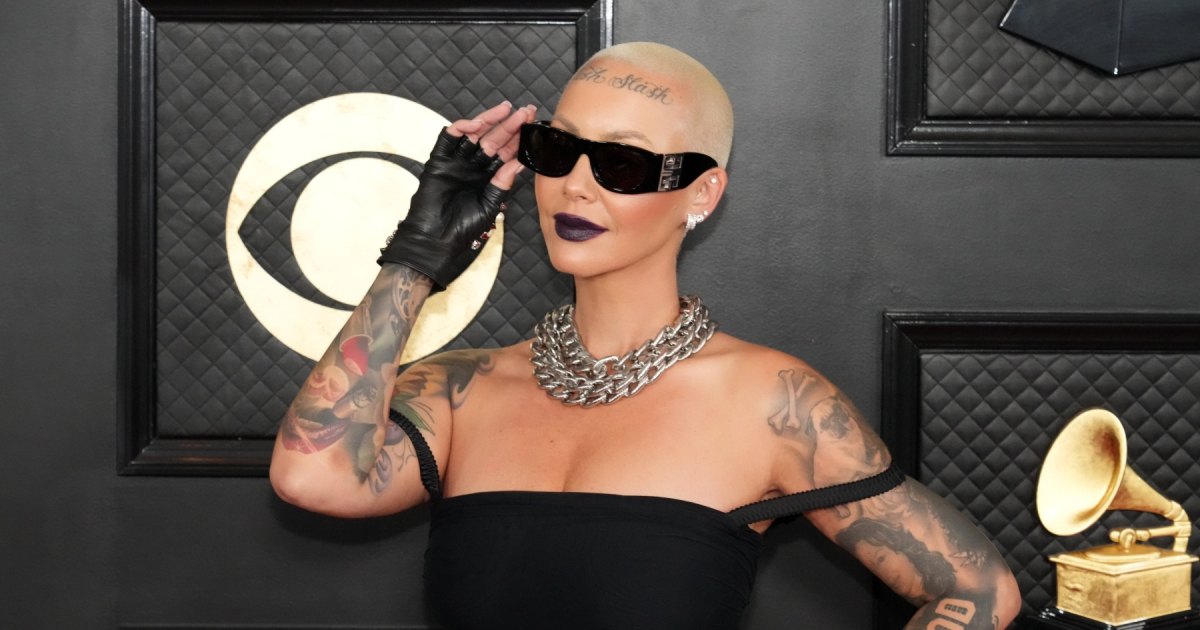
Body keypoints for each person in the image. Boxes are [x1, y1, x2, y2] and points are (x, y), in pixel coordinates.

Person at [269, 42, 1021, 629]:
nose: (577, 185)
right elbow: (314, 478)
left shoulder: (772, 403)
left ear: (703, 191)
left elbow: (979, 590)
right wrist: (416, 258)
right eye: (557, 150)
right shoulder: (462, 389)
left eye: (623, 163)